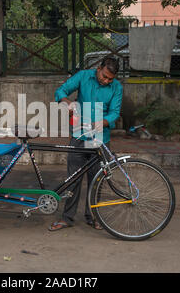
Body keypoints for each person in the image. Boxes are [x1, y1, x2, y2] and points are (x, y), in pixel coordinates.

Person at [48, 57, 123, 231]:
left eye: (110, 79)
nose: (106, 81)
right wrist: (67, 102)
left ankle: (94, 217)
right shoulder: (83, 76)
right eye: (104, 76)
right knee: (73, 179)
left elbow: (114, 112)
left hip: (100, 139)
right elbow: (61, 90)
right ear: (99, 68)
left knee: (97, 180)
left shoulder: (116, 87)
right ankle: (67, 218)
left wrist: (103, 122)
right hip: (79, 135)